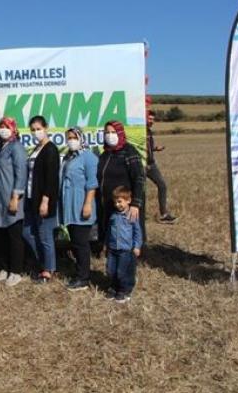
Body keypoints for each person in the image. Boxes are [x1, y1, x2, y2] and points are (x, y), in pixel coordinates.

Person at [0, 117, 28, 287]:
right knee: (1, 234)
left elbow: (21, 173)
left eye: (7, 127)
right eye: (1, 127)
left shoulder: (16, 147)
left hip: (12, 198)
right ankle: (5, 268)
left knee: (14, 235)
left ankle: (16, 271)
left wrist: (15, 197)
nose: (3, 129)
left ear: (13, 129)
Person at [96, 120, 146, 255]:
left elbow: (139, 178)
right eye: (107, 132)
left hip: (124, 203)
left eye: (113, 132)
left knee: (128, 230)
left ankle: (131, 256)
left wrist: (135, 203)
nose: (110, 135)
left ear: (120, 133)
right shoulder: (105, 154)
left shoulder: (129, 152)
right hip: (108, 202)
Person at [60, 127, 99, 291]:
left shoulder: (88, 157)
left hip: (82, 204)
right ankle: (80, 273)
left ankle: (83, 278)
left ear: (81, 138)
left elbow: (92, 183)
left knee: (81, 243)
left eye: (74, 137)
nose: (71, 140)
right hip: (70, 206)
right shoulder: (69, 157)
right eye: (68, 137)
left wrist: (88, 204)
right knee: (75, 242)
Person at [22, 116, 60, 283]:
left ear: (46, 128)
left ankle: (48, 270)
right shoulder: (37, 148)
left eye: (38, 128)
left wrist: (45, 201)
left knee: (45, 236)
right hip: (31, 198)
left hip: (44, 200)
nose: (36, 132)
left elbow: (51, 179)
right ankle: (43, 262)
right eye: (33, 129)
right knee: (27, 232)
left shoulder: (50, 149)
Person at [106, 186, 143, 303]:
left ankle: (124, 290)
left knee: (122, 271)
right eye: (115, 202)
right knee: (110, 270)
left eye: (120, 201)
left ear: (128, 200)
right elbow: (109, 231)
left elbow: (137, 232)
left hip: (125, 249)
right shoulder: (113, 216)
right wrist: (106, 244)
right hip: (112, 248)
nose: (117, 204)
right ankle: (113, 287)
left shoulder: (131, 216)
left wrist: (137, 246)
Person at [146, 110, 177, 224]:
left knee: (162, 185)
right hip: (141, 164)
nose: (152, 121)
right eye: (150, 118)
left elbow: (147, 147)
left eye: (153, 119)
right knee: (140, 190)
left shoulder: (148, 131)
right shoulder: (140, 131)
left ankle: (164, 213)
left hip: (151, 163)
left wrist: (155, 148)